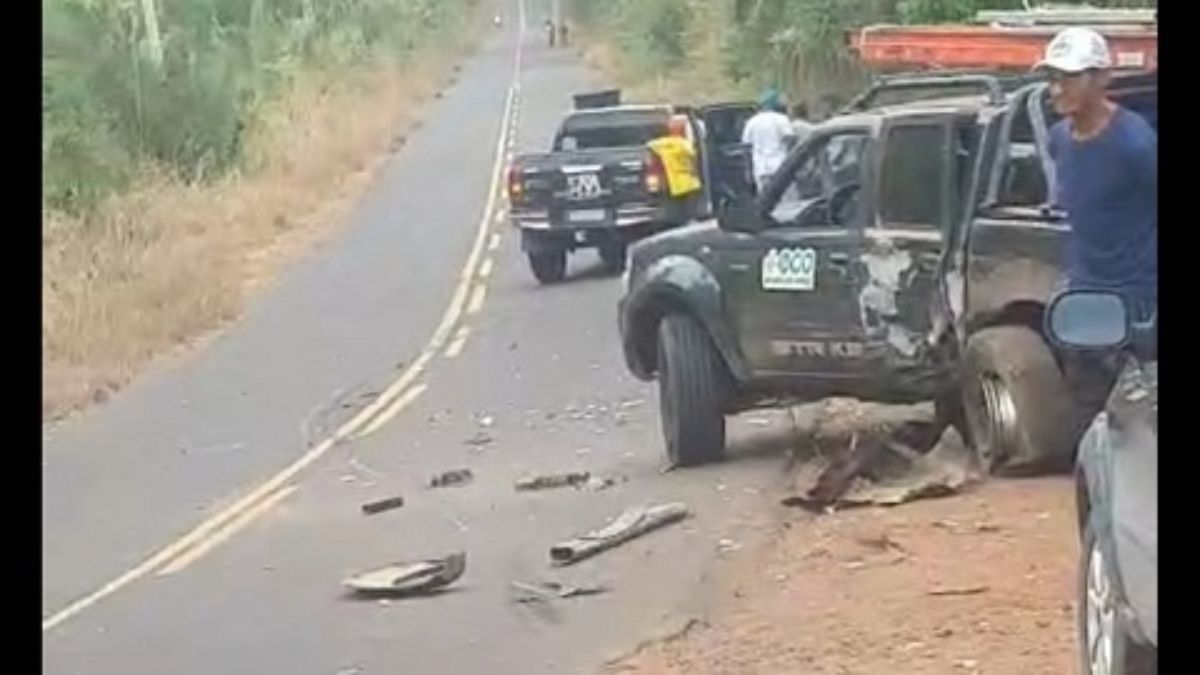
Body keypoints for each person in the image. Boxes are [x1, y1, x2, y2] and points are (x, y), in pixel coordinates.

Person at [1035, 27, 1158, 421]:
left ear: (1102, 78)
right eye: (1052, 78)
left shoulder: (1135, 142)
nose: (1056, 88)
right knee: (1096, 420)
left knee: (1143, 420)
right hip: (1085, 302)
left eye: (1069, 77)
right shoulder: (1058, 139)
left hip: (1139, 303)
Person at [647, 115, 704, 222]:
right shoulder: (687, 144)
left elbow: (650, 145)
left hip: (674, 184)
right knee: (691, 212)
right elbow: (694, 157)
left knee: (677, 214)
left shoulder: (663, 144)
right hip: (690, 182)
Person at [741, 89, 797, 194]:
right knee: (786, 198)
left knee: (766, 200)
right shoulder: (782, 119)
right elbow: (790, 141)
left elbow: (746, 148)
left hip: (761, 168)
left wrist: (748, 170)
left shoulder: (751, 122)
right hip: (781, 166)